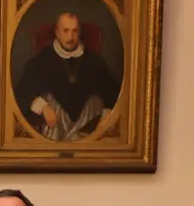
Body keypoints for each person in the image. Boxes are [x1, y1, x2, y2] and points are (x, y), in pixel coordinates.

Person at [14, 11, 121, 141]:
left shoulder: (94, 61)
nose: (70, 37)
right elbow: (23, 90)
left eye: (75, 31)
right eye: (65, 31)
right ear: (57, 32)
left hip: (87, 128)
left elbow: (112, 92)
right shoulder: (43, 59)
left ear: (80, 32)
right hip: (55, 127)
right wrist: (42, 107)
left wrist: (106, 115)